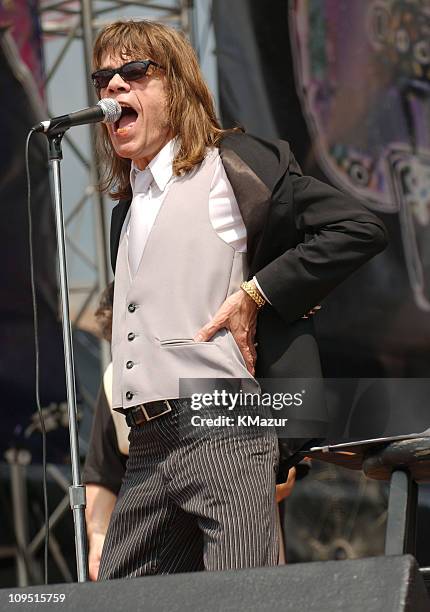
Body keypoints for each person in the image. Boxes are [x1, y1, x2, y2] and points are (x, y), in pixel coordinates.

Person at [91, 19, 387, 579]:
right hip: (147, 441)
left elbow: (357, 228)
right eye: (103, 78)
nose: (113, 89)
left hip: (223, 419)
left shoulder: (231, 168)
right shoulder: (126, 210)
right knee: (121, 595)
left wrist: (257, 293)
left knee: (242, 592)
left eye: (133, 72)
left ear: (176, 85)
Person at [83, 283, 296, 580]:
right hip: (163, 534)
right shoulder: (116, 382)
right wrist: (99, 536)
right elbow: (101, 473)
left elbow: (288, 474)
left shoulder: (229, 360)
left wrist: (245, 481)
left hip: (237, 525)